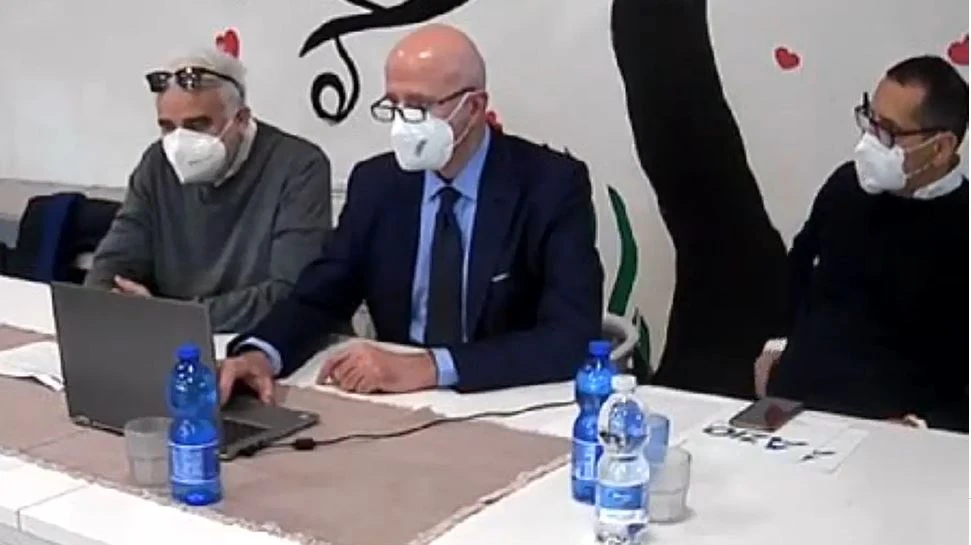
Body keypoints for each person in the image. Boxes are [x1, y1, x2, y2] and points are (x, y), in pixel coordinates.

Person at [219, 24, 603, 402]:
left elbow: (571, 336)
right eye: (394, 105)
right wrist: (261, 353)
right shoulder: (377, 183)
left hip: (503, 396)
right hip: (397, 402)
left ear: (474, 107)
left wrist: (431, 367)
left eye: (419, 106)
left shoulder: (550, 185)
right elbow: (320, 295)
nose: (403, 122)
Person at [756, 55, 969, 432]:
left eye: (888, 132)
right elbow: (799, 265)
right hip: (788, 405)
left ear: (940, 148)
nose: (869, 142)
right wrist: (776, 341)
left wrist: (924, 427)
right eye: (870, 120)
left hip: (889, 432)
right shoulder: (846, 186)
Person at [84, 44, 334, 333]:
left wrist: (170, 316)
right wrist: (108, 301)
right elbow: (113, 262)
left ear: (241, 120)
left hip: (265, 341)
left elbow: (291, 292)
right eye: (168, 127)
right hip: (172, 337)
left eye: (197, 125)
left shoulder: (299, 165)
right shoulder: (157, 163)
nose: (179, 142)